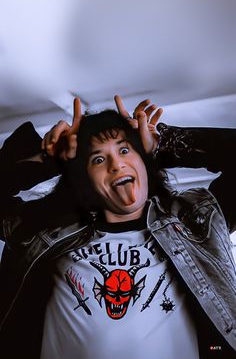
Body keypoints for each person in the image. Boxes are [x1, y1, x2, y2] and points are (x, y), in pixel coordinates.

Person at [0, 95, 235, 359]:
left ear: (145, 162)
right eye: (98, 160)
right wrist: (47, 160)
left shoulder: (195, 219)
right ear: (84, 179)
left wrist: (167, 145)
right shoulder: (42, 231)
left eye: (124, 150)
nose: (116, 164)